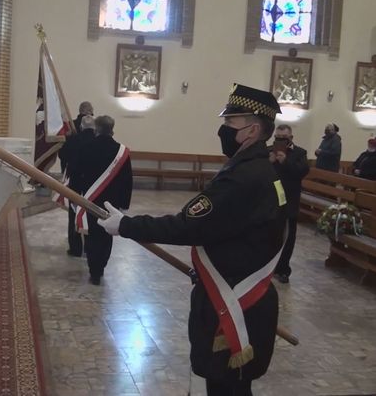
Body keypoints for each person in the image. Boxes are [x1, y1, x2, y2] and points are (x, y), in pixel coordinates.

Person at [98, 84, 287, 395]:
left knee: (226, 388)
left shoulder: (243, 178)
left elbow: (188, 225)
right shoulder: (259, 170)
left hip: (233, 302)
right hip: (242, 297)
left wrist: (127, 226)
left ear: (252, 130)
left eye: (230, 124)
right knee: (232, 388)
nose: (223, 130)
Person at [74, 115, 133, 285]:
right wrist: (123, 203)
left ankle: (94, 269)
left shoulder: (87, 147)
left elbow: (77, 172)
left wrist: (75, 195)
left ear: (97, 128)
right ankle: (101, 266)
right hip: (111, 202)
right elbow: (127, 180)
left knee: (92, 234)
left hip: (90, 199)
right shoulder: (121, 151)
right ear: (112, 128)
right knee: (106, 235)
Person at [269, 124, 309, 284]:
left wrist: (286, 162)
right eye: (277, 138)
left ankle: (283, 269)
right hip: (270, 200)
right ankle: (267, 268)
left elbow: (302, 172)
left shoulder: (300, 153)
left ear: (290, 138)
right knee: (268, 235)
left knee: (288, 237)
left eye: (283, 138)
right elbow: (258, 172)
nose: (279, 141)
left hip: (290, 201)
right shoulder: (267, 151)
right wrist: (269, 162)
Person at [58, 115, 96, 257]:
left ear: (81, 126)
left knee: (74, 214)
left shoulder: (74, 139)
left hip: (75, 183)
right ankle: (89, 247)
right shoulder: (97, 141)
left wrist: (69, 141)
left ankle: (75, 248)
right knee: (91, 215)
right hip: (92, 185)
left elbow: (62, 155)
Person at [59, 101, 94, 174]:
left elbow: (62, 152)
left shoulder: (69, 125)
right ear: (90, 111)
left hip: (73, 170)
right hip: (91, 170)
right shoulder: (97, 128)